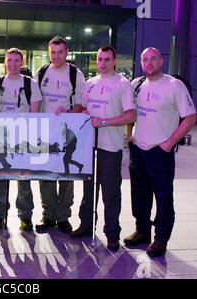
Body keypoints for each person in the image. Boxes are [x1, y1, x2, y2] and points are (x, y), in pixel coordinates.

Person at [124, 47, 197, 257]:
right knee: (139, 194)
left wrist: (169, 143)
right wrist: (129, 137)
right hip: (138, 149)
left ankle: (161, 238)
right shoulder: (136, 84)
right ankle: (142, 231)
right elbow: (131, 114)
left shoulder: (174, 86)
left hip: (160, 152)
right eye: (145, 59)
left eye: (153, 59)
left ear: (161, 61)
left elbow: (190, 117)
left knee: (163, 197)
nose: (149, 62)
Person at [71, 46, 136, 251]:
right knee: (89, 188)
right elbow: (82, 108)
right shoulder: (90, 84)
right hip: (89, 144)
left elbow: (131, 115)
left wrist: (105, 122)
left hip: (110, 146)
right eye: (100, 59)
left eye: (107, 59)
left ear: (114, 61)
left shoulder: (123, 84)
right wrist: (81, 113)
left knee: (110, 191)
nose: (103, 63)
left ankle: (112, 233)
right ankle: (86, 224)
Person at [33, 36, 86, 234]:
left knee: (65, 174)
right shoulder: (42, 72)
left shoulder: (75, 74)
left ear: (67, 52)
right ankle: (48, 215)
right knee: (45, 174)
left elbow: (80, 103)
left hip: (67, 132)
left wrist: (70, 113)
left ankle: (63, 216)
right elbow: (36, 101)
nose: (56, 56)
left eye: (60, 52)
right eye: (53, 52)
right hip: (46, 133)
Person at [0, 48, 41, 233]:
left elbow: (34, 114)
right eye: (9, 60)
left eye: (16, 61)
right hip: (2, 137)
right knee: (0, 178)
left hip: (23, 138)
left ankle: (25, 216)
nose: (12, 64)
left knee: (23, 178)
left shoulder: (31, 85)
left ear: (22, 63)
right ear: (5, 61)